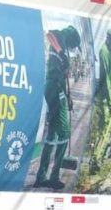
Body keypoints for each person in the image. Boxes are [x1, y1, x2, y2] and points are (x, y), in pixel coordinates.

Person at [35, 25, 81, 189]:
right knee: (65, 132)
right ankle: (53, 176)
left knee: (52, 135)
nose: (71, 48)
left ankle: (41, 177)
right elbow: (49, 35)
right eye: (73, 45)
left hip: (57, 88)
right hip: (54, 87)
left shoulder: (64, 50)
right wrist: (62, 54)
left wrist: (68, 97)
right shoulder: (59, 36)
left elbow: (64, 71)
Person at [89, 30, 111, 172]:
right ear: (108, 40)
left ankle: (100, 159)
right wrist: (110, 103)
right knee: (106, 130)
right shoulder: (103, 52)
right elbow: (106, 79)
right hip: (105, 97)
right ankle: (95, 161)